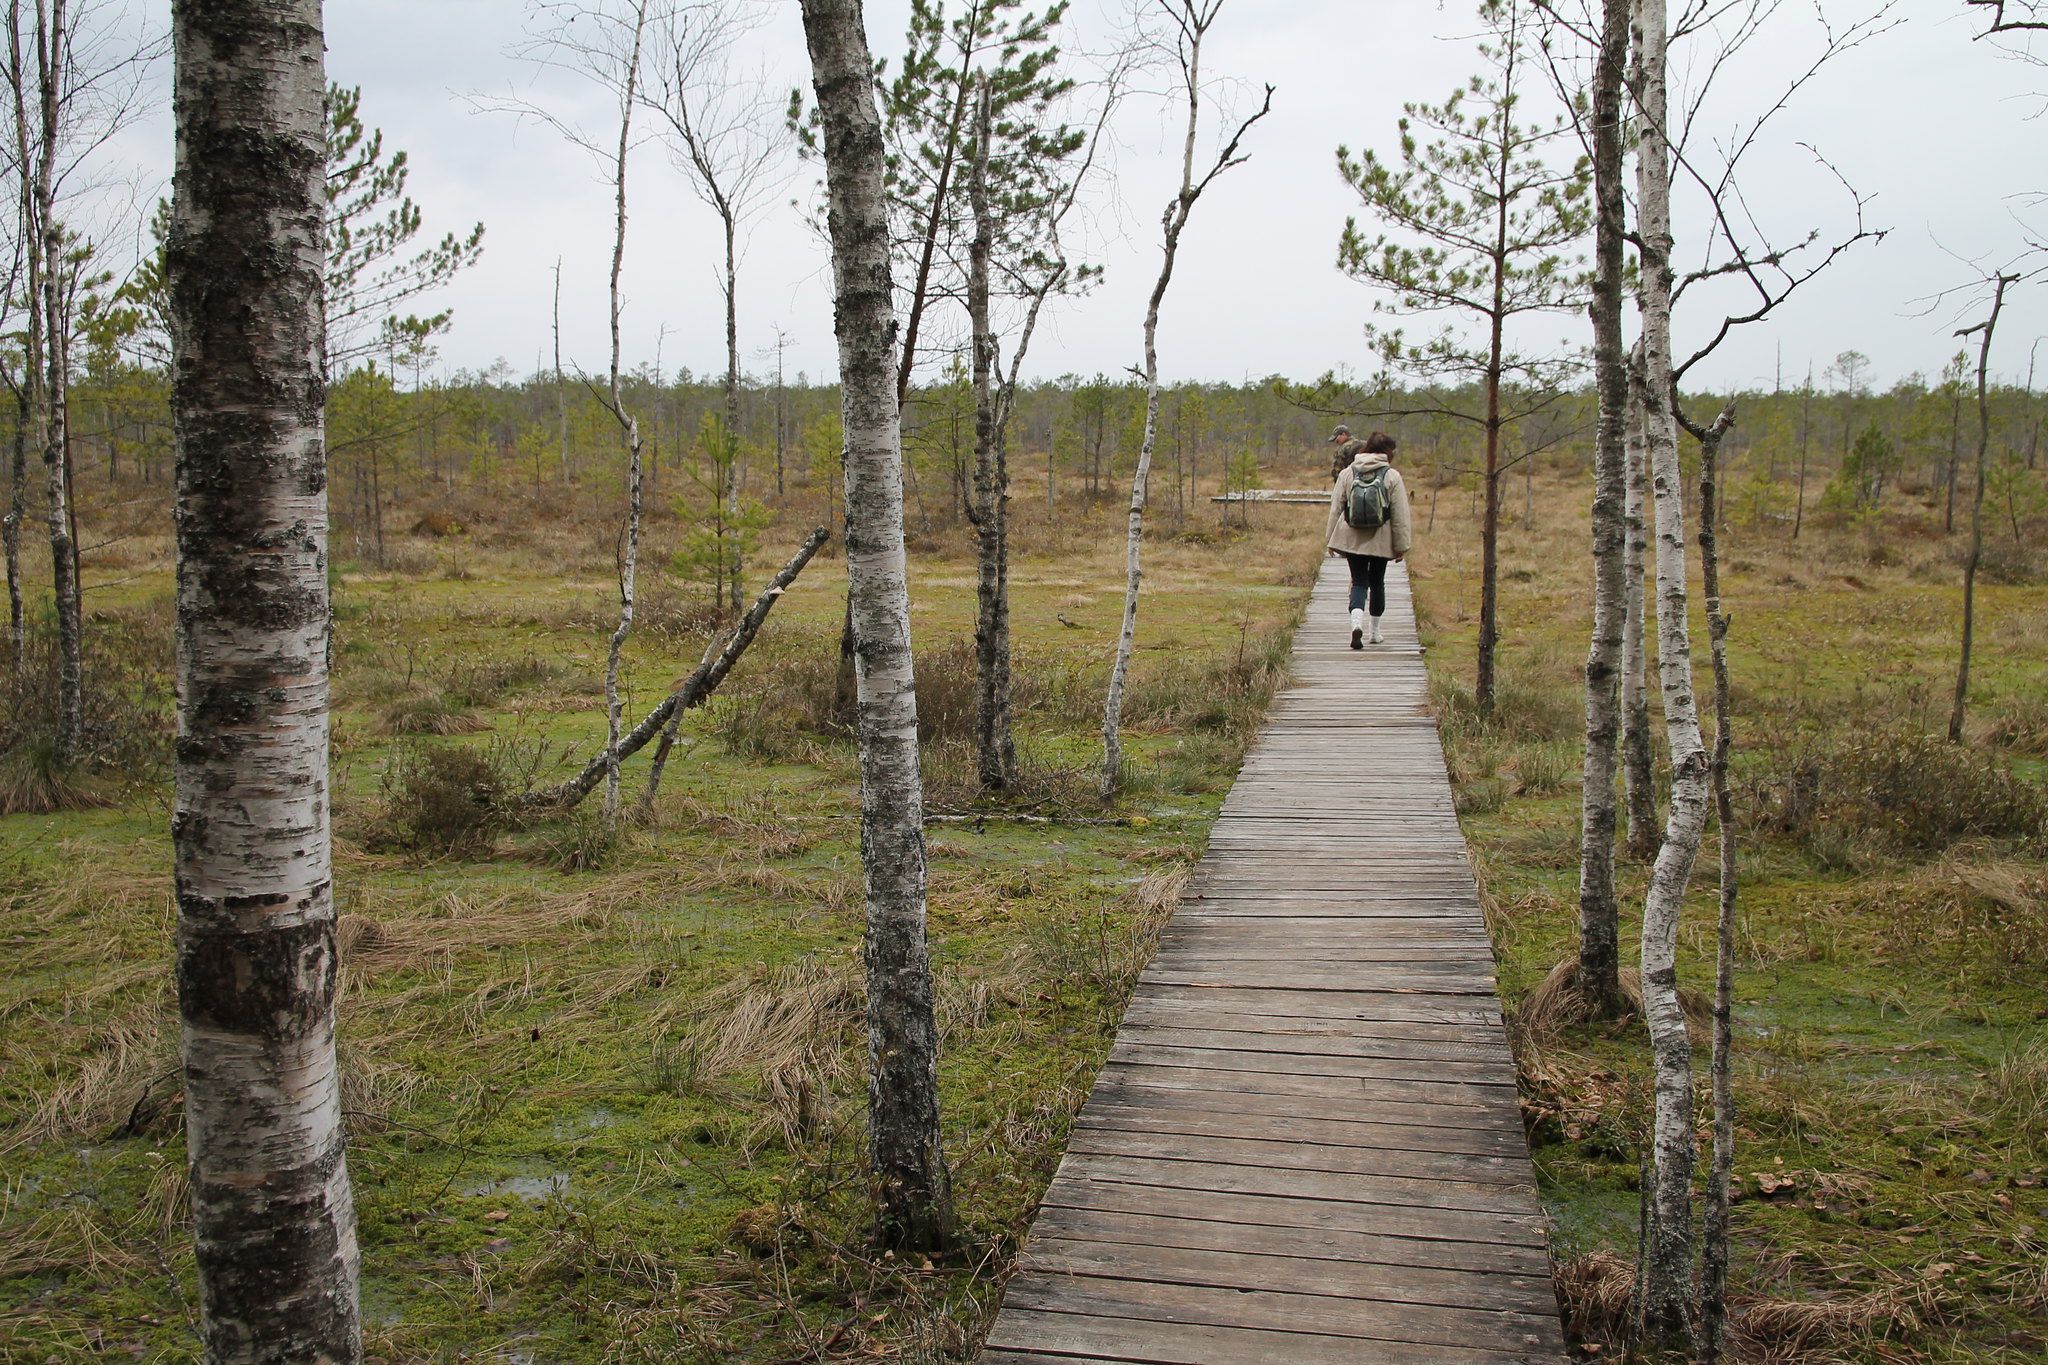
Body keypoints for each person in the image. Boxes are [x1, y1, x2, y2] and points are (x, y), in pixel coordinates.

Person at [1325, 431, 1413, 649]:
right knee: (1377, 582)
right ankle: (1375, 632)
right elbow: (1400, 514)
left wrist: (1331, 540)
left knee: (1358, 582)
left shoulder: (1347, 473)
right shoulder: (1392, 476)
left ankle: (1356, 625)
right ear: (1386, 452)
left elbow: (1336, 508)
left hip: (1351, 538)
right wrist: (1401, 546)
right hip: (1380, 540)